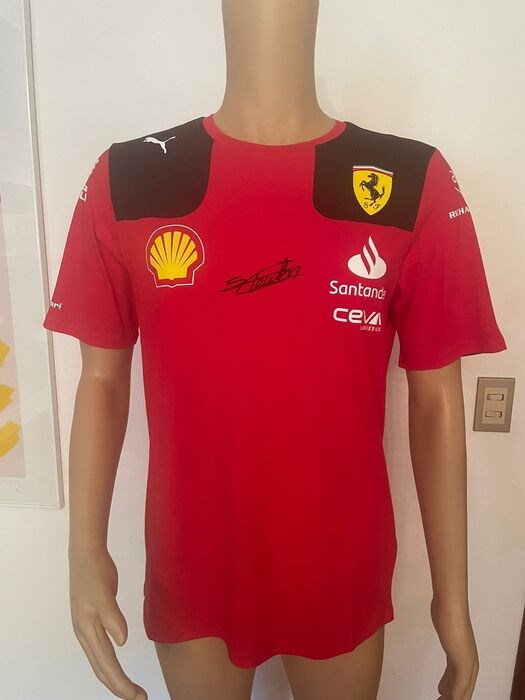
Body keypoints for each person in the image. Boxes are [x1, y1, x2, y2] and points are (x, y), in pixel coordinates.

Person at [42, 1, 507, 699]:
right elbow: (100, 381)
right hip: (195, 563)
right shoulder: (129, 179)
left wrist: (453, 599)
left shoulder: (410, 181)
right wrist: (84, 552)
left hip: (337, 566)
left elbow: (437, 400)